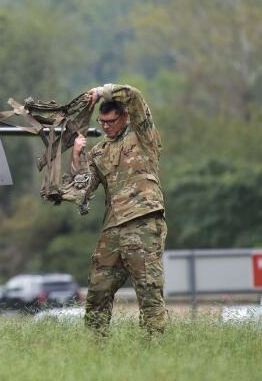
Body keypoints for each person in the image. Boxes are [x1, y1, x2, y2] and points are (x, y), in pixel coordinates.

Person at [67, 83, 167, 336]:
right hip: (112, 227)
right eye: (101, 122)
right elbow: (82, 190)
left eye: (111, 121)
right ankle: (96, 348)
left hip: (143, 220)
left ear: (124, 117)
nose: (105, 126)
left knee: (148, 290)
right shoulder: (99, 151)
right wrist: (77, 157)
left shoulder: (143, 136)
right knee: (98, 290)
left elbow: (135, 96)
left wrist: (102, 91)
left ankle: (154, 347)